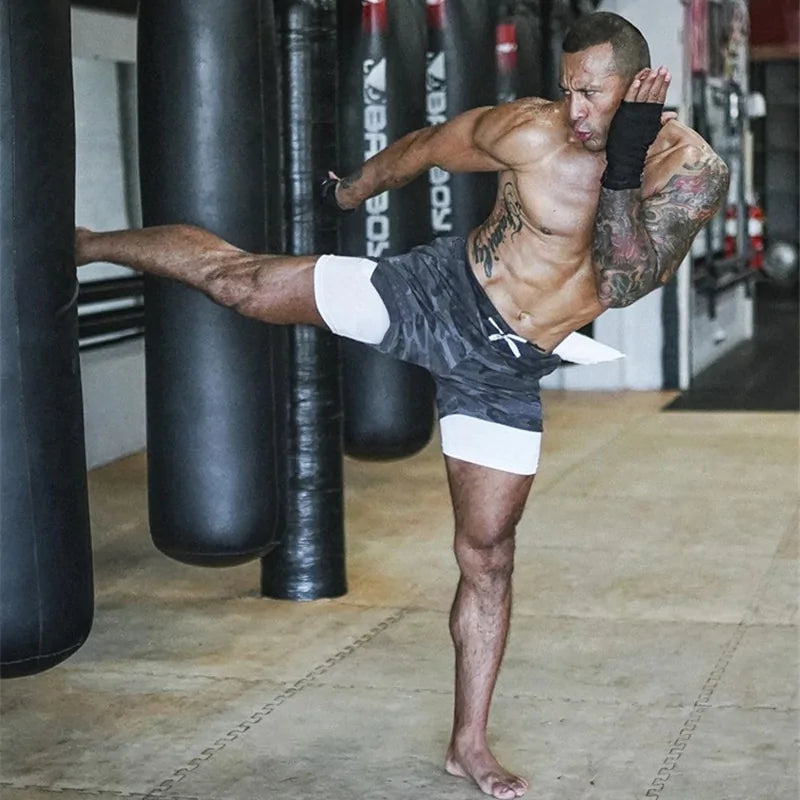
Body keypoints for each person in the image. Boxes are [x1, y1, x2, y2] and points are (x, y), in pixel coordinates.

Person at [75, 12, 728, 800]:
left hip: (505, 368)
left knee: (487, 558)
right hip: (434, 293)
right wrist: (357, 185)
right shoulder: (530, 130)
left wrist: (623, 160)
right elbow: (427, 146)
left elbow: (624, 283)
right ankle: (86, 243)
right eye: (568, 90)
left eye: (593, 93)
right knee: (241, 283)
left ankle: (468, 744)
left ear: (638, 83)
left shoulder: (686, 168)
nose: (577, 111)